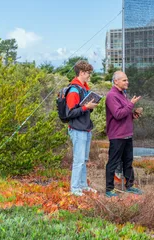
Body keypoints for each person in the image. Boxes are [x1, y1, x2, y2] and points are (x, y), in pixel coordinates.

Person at [105, 70, 143, 197]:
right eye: (124, 80)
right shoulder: (112, 96)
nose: (127, 82)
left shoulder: (122, 94)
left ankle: (130, 186)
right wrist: (131, 104)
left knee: (128, 161)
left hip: (127, 134)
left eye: (127, 80)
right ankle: (109, 189)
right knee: (113, 161)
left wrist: (133, 115)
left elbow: (125, 114)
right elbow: (118, 114)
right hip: (117, 135)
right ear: (116, 81)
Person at [66, 60, 98, 196]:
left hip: (85, 128)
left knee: (84, 159)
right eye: (88, 73)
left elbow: (83, 110)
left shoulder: (84, 88)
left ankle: (83, 185)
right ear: (81, 73)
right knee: (78, 160)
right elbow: (70, 113)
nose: (89, 76)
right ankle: (74, 188)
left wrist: (88, 107)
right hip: (77, 129)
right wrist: (86, 107)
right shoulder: (74, 90)